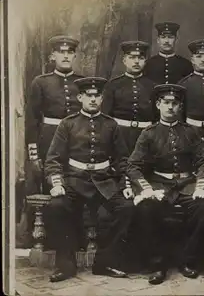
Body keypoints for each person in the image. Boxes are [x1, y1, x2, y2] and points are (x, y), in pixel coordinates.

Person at [44, 77, 134, 282]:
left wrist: (125, 184)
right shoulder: (68, 124)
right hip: (74, 181)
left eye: (97, 96)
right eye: (89, 96)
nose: (93, 100)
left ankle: (105, 262)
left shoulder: (111, 125)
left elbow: (123, 160)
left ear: (102, 98)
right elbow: (54, 159)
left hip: (104, 182)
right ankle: (65, 265)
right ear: (80, 97)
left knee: (126, 207)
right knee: (57, 206)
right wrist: (57, 183)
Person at [127, 84, 204, 285]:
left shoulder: (190, 132)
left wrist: (201, 185)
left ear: (180, 107)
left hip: (186, 183)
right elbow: (133, 166)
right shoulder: (149, 133)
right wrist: (146, 189)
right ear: (158, 105)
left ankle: (188, 261)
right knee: (146, 209)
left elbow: (203, 162)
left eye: (175, 103)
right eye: (166, 103)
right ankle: (157, 264)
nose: (170, 107)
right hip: (159, 184)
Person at [26, 35, 84, 194]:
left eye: (70, 52)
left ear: (74, 56)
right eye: (61, 52)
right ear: (52, 56)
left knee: (76, 185)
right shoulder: (40, 82)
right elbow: (32, 120)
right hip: (49, 140)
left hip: (77, 140)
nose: (65, 56)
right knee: (50, 186)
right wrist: (34, 156)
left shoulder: (83, 83)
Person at [102, 41, 157, 154]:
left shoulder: (153, 86)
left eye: (140, 58)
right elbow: (105, 117)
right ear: (124, 60)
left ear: (145, 61)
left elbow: (157, 118)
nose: (136, 61)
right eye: (132, 57)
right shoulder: (113, 85)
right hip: (120, 134)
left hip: (145, 135)